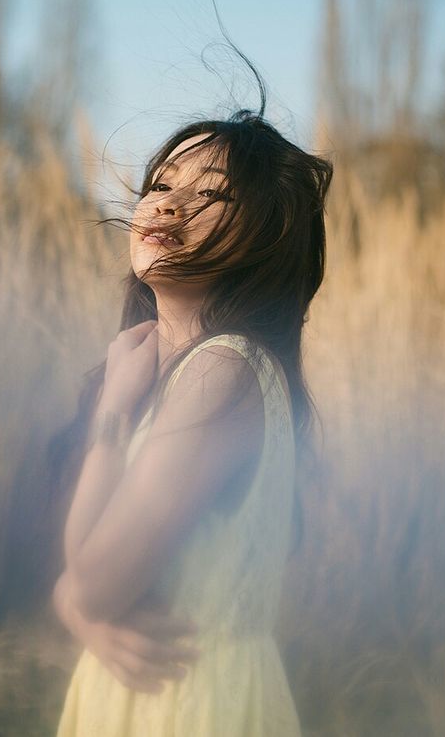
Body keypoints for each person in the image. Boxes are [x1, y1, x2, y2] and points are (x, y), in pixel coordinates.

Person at [50, 106, 332, 735]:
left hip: (190, 707)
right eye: (163, 184)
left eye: (212, 194)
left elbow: (93, 584)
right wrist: (73, 603)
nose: (170, 205)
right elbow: (86, 567)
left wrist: (116, 413)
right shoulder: (166, 370)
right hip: (137, 696)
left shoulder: (224, 373)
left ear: (264, 236)